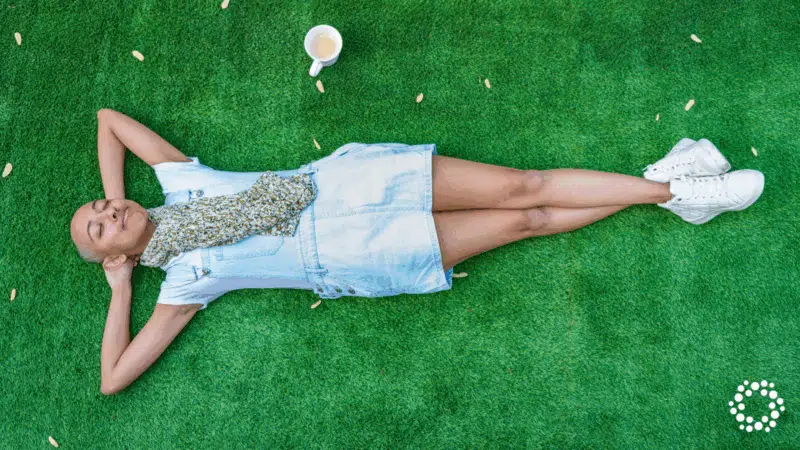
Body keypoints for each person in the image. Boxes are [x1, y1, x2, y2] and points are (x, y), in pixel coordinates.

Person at [70, 109, 765, 395]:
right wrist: (121, 284)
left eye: (102, 206)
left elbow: (108, 123)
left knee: (522, 184)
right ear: (113, 256)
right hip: (357, 252)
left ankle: (674, 190)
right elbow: (112, 377)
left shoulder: (178, 181)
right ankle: (674, 188)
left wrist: (117, 210)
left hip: (348, 184)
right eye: (100, 228)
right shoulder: (183, 283)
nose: (109, 212)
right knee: (525, 220)